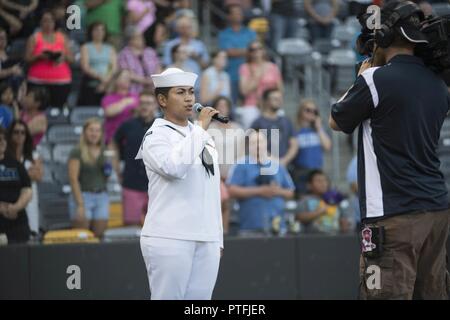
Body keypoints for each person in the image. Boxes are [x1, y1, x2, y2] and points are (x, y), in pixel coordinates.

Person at [329, 0, 450, 299]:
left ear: (384, 37)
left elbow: (336, 120)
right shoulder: (438, 84)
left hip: (393, 214)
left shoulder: (373, 80)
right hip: (436, 211)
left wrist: (363, 73)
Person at [136, 67, 223, 300]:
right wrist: (202, 129)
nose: (188, 98)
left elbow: (212, 188)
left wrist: (217, 237)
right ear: (162, 100)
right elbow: (174, 168)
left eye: (191, 92)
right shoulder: (156, 136)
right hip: (170, 235)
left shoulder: (199, 134)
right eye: (180, 92)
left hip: (206, 237)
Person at [227, 130, 295, 236]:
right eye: (254, 143)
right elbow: (231, 191)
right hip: (250, 227)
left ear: (266, 143)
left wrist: (276, 191)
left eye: (260, 142)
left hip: (277, 227)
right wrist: (260, 191)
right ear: (248, 146)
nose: (258, 146)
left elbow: (291, 192)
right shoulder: (240, 165)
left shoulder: (277, 165)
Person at [111, 90, 157, 226]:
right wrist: (117, 168)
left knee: (158, 227)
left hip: (156, 185)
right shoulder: (128, 125)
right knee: (131, 227)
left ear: (156, 105)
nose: (144, 106)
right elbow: (112, 143)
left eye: (148, 103)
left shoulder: (162, 126)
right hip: (131, 183)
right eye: (142, 103)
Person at [208, 96, 245, 235]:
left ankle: (227, 232)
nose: (222, 108)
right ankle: (217, 233)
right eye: (219, 105)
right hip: (214, 175)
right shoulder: (209, 128)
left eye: (225, 105)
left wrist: (233, 177)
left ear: (229, 108)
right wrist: (217, 175)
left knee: (229, 203)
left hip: (233, 176)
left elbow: (241, 156)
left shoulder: (238, 129)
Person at [68, 118, 110, 239]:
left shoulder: (104, 151)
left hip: (101, 196)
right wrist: (80, 204)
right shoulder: (77, 151)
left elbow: (105, 176)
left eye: (97, 130)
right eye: (91, 130)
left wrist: (109, 169)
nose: (94, 133)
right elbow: (73, 179)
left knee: (99, 235)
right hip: (83, 196)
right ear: (85, 132)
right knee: (82, 237)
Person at [25, 11, 74, 109]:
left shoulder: (62, 37)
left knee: (58, 110)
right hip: (38, 81)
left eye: (51, 21)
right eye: (45, 21)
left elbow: (71, 59)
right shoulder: (34, 38)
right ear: (40, 23)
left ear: (54, 23)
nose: (48, 24)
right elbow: (27, 59)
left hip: (61, 81)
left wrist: (62, 56)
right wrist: (39, 56)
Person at [6, 120, 43, 235]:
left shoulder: (33, 155)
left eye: (23, 133)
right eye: (16, 132)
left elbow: (38, 176)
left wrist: (13, 175)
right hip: (9, 197)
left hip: (30, 198)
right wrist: (27, 174)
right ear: (10, 134)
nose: (19, 135)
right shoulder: (4, 155)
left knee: (31, 230)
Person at [218, 4, 256, 105]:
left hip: (250, 75)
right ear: (229, 16)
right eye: (234, 13)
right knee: (232, 106)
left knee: (250, 106)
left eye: (239, 13)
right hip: (231, 75)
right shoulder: (224, 34)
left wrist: (237, 51)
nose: (237, 15)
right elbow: (228, 52)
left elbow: (255, 50)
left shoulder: (250, 32)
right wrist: (248, 51)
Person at [239, 40, 283, 128]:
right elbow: (244, 91)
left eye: (259, 48)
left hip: (271, 104)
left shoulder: (273, 67)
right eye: (253, 49)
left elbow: (280, 89)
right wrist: (257, 77)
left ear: (263, 50)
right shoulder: (245, 67)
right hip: (252, 105)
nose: (257, 51)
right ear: (249, 52)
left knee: (275, 134)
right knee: (251, 132)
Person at [292, 99, 332, 196]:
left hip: (317, 172)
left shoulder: (318, 130)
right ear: (300, 112)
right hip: (301, 172)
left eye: (315, 111)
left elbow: (327, 146)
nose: (312, 113)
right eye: (308, 110)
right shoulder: (294, 130)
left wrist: (319, 128)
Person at [0, 126, 32, 244]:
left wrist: (16, 207)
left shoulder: (15, 164)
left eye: (3, 139)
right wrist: (2, 208)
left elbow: (27, 189)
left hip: (17, 219)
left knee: (21, 257)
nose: (2, 142)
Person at [250, 88, 298, 167]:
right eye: (275, 99)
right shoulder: (258, 123)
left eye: (280, 98)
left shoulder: (286, 121)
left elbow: (294, 144)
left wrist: (285, 160)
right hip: (264, 167)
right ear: (266, 101)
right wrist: (276, 161)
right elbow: (255, 146)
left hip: (287, 166)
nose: (279, 101)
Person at [78, 21, 117, 106]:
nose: (99, 32)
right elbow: (85, 67)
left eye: (102, 30)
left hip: (108, 84)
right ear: (91, 32)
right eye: (96, 30)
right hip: (91, 82)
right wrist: (101, 78)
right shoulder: (85, 47)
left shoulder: (110, 48)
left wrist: (105, 82)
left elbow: (113, 67)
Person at [118, 26, 161, 95]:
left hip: (153, 88)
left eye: (141, 37)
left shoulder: (150, 51)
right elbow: (126, 73)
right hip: (134, 89)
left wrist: (153, 80)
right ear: (130, 40)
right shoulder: (124, 53)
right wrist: (144, 81)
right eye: (138, 37)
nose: (142, 39)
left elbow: (158, 67)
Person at [101, 70, 139, 144]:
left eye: (129, 77)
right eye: (124, 77)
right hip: (113, 138)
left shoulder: (135, 96)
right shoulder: (108, 98)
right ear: (116, 80)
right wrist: (125, 102)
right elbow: (109, 112)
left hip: (131, 138)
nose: (128, 79)